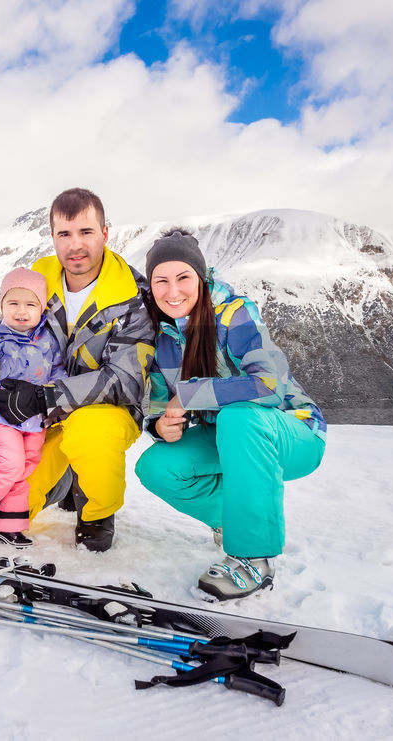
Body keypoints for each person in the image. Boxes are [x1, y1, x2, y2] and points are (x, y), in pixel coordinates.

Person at [133, 229, 326, 600]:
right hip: (227, 437)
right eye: (162, 281)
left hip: (292, 431)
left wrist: (188, 394)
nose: (173, 291)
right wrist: (160, 426)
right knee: (156, 467)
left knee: (241, 418)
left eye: (183, 278)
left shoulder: (235, 314)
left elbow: (271, 385)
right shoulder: (163, 336)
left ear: (202, 280)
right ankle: (232, 520)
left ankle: (254, 557)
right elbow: (160, 404)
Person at [0, 188, 155, 552]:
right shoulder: (38, 279)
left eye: (86, 232)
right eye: (65, 234)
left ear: (106, 233)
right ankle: (61, 482)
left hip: (104, 412)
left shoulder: (132, 294)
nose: (75, 245)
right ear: (53, 237)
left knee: (88, 431)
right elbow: (4, 337)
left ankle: (96, 513)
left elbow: (125, 379)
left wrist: (47, 396)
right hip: (45, 412)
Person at [0, 268, 67, 548]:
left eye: (30, 304)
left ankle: (4, 525)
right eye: (13, 303)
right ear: (1, 305)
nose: (21, 311)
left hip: (33, 421)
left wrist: (53, 401)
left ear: (41, 308)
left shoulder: (49, 342)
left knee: (24, 470)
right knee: (9, 465)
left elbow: (58, 373)